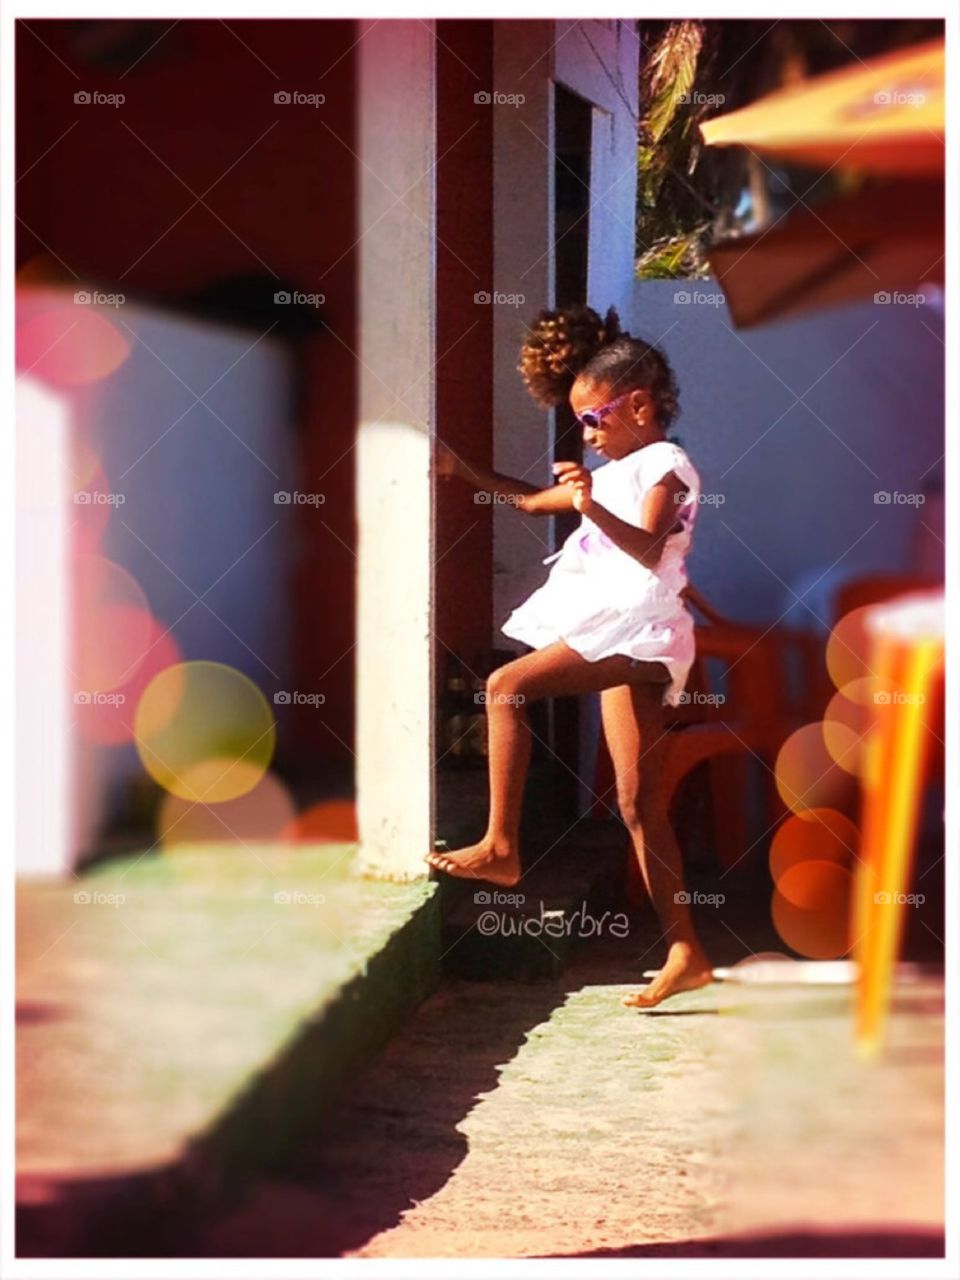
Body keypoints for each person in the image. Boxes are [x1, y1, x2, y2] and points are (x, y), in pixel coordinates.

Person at [426, 303, 712, 1008]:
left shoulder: (666, 464)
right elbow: (530, 503)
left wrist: (590, 505)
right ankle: (687, 952)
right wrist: (463, 472)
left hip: (640, 629)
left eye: (595, 419)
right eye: (581, 421)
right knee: (638, 803)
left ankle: (500, 846)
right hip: (617, 632)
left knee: (505, 687)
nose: (587, 433)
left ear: (638, 405)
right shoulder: (609, 472)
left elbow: (646, 548)